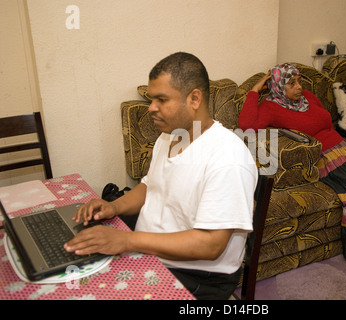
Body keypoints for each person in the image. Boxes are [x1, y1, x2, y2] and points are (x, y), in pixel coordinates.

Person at [64, 52, 258, 299]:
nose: (151, 109)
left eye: (161, 100)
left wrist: (126, 241)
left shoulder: (228, 158)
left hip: (196, 274)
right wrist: (114, 207)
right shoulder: (169, 137)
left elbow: (211, 245)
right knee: (72, 266)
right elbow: (150, 186)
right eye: (151, 99)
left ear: (195, 98)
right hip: (151, 251)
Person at [238, 63, 346, 278]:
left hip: (345, 146)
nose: (299, 86)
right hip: (324, 155)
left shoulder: (308, 97)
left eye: (299, 80)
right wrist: (254, 91)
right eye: (291, 83)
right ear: (278, 87)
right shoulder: (270, 107)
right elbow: (246, 125)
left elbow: (325, 122)